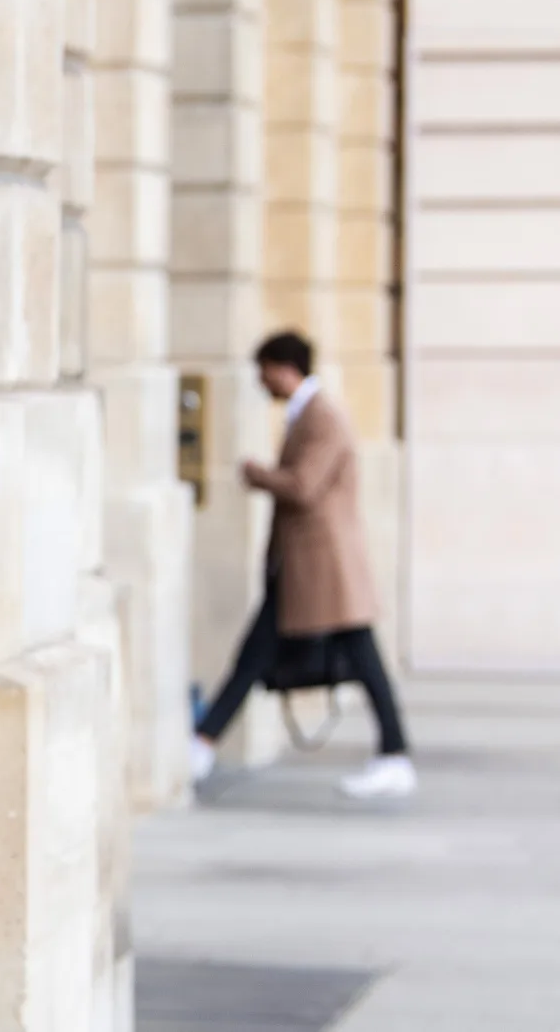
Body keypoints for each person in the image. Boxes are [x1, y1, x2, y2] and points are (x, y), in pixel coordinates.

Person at [190, 331, 416, 798]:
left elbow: (305, 485)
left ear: (283, 368)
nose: (261, 381)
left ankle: (395, 755)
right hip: (305, 567)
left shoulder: (322, 417)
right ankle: (202, 743)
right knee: (257, 657)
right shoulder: (308, 415)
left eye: (264, 371)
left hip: (322, 568)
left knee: (358, 658)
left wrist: (257, 475)